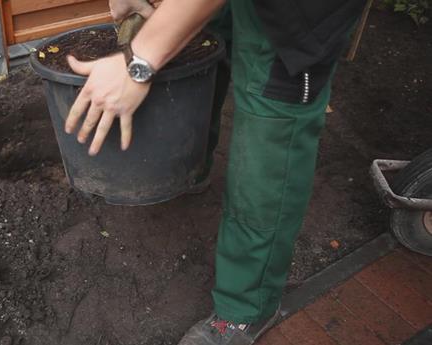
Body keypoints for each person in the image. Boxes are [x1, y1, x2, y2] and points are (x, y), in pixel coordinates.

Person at [64, 0, 367, 344]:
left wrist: (139, 62)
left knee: (274, 119)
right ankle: (192, 168)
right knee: (209, 34)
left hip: (300, 14)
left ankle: (247, 307)